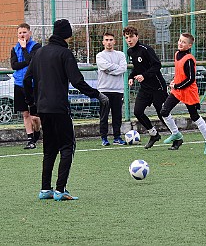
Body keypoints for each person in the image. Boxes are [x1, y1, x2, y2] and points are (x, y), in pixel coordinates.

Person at [24, 19, 109, 201]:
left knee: (49, 149)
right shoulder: (65, 54)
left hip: (43, 109)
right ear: (67, 35)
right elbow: (77, 81)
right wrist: (97, 95)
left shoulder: (38, 53)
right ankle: (61, 190)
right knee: (67, 146)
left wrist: (33, 105)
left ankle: (45, 189)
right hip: (60, 108)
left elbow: (26, 80)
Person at [124, 26, 173, 149]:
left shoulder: (146, 49)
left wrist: (144, 76)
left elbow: (157, 65)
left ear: (137, 37)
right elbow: (137, 67)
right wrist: (131, 76)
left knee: (162, 113)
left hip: (157, 87)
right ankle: (154, 134)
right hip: (145, 88)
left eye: (131, 37)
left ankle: (176, 136)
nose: (129, 40)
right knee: (138, 112)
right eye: (126, 38)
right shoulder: (130, 52)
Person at [159, 33, 206, 154]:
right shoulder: (177, 54)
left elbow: (191, 79)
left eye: (184, 42)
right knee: (164, 111)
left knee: (194, 116)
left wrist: (177, 85)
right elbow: (179, 73)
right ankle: (176, 134)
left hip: (188, 92)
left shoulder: (189, 59)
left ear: (189, 45)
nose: (180, 43)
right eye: (180, 41)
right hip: (178, 91)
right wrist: (174, 80)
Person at [10, 23, 41, 149]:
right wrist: (25, 62)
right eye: (20, 33)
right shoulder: (14, 48)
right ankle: (30, 139)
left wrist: (24, 49)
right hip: (19, 83)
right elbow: (14, 65)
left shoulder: (36, 47)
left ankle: (37, 132)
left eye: (24, 32)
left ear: (29, 33)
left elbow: (31, 61)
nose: (22, 35)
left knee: (35, 117)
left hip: (33, 84)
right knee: (25, 114)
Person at [96, 32, 127, 146]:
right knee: (104, 116)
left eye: (111, 40)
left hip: (118, 90)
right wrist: (115, 69)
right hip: (104, 90)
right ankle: (104, 138)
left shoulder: (120, 55)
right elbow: (104, 66)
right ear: (103, 42)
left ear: (114, 41)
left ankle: (117, 137)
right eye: (106, 40)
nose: (109, 42)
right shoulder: (100, 55)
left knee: (117, 116)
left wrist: (111, 70)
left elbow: (123, 68)